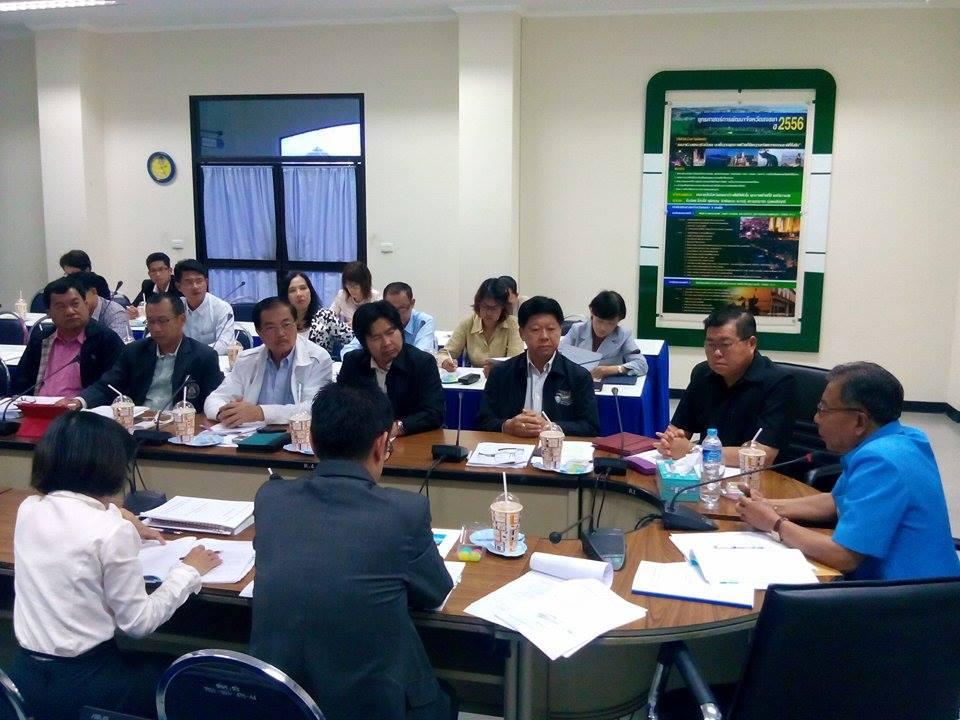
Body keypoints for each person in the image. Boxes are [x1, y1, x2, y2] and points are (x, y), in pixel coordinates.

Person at [250, 382, 456, 720]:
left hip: (280, 703)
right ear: (380, 445)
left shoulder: (271, 498)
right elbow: (435, 592)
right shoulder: (405, 512)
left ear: (312, 440)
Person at [8, 411, 221, 720]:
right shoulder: (111, 532)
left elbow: (75, 513)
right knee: (192, 679)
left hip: (23, 676)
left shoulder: (29, 509)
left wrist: (119, 514)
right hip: (85, 682)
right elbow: (138, 623)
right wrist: (188, 571)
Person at [737, 362, 960, 581]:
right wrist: (768, 505)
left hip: (912, 595)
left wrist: (775, 523)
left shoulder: (880, 461)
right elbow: (837, 500)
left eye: (823, 409)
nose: (816, 418)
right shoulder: (903, 438)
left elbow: (844, 556)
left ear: (860, 421)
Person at [655, 305, 795, 465]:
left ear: (751, 343)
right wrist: (668, 442)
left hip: (760, 476)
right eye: (710, 344)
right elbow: (678, 429)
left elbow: (763, 455)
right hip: (708, 471)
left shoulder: (779, 382)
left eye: (725, 344)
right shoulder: (702, 373)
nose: (717, 353)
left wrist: (693, 450)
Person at [60, 293, 223, 412]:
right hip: (139, 425)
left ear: (181, 320)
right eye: (151, 322)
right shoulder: (134, 352)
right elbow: (107, 386)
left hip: (180, 428)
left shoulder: (203, 356)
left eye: (163, 321)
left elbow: (214, 401)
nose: (156, 328)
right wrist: (79, 401)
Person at [477, 296, 600, 437]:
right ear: (522, 333)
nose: (544, 336)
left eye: (551, 329)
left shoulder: (578, 376)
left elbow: (591, 427)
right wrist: (507, 426)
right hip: (512, 446)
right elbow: (483, 421)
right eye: (535, 330)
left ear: (560, 331)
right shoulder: (501, 373)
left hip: (558, 448)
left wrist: (551, 427)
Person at [205, 297, 332, 427]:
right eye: (271, 328)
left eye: (286, 324)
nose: (281, 333)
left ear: (296, 324)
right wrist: (225, 414)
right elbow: (215, 399)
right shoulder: (247, 359)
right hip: (251, 435)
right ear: (259, 332)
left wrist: (261, 413)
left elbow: (314, 408)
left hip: (297, 434)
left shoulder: (318, 359)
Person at [337, 300, 444, 436]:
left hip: (409, 439)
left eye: (391, 332)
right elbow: (340, 406)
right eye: (376, 338)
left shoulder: (422, 362)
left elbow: (434, 414)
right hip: (364, 440)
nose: (387, 343)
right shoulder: (353, 362)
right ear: (364, 342)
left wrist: (398, 427)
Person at [13, 276, 124, 397]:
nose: (70, 311)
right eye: (61, 306)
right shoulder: (40, 340)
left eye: (75, 304)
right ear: (49, 313)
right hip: (37, 406)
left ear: (86, 305)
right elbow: (20, 385)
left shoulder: (105, 340)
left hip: (82, 407)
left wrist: (82, 402)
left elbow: (113, 387)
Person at [438, 277, 523, 374]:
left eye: (494, 308)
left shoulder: (513, 324)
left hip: (503, 378)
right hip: (475, 380)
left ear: (503, 307)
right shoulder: (468, 323)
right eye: (485, 306)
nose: (489, 312)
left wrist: (498, 370)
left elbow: (516, 361)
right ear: (478, 305)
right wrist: (445, 361)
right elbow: (444, 353)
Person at [561, 290, 648, 380]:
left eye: (611, 323)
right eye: (599, 321)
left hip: (608, 384)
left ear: (619, 320)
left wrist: (612, 370)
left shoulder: (623, 335)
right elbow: (557, 357)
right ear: (591, 311)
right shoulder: (577, 330)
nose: (603, 328)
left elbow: (642, 365)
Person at [340, 281, 436, 358]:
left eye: (402, 308)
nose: (396, 314)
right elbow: (348, 351)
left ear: (412, 303)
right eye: (391, 308)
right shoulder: (375, 320)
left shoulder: (423, 321)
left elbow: (422, 355)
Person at [279, 270, 353, 354]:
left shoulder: (325, 317)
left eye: (303, 288)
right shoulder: (280, 323)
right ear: (285, 296)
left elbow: (353, 340)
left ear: (310, 291)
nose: (299, 294)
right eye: (292, 290)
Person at [174, 259, 235, 355]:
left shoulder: (222, 308)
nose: (195, 286)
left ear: (206, 282)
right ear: (179, 286)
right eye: (189, 282)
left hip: (211, 360)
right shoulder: (174, 307)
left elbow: (224, 344)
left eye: (199, 281)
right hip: (181, 360)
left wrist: (193, 355)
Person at [74, 270, 132, 342]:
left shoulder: (116, 312)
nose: (79, 302)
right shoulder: (72, 313)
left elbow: (117, 345)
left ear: (93, 291)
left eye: (82, 296)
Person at [128, 252, 175, 318]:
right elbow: (134, 306)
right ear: (149, 274)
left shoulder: (179, 286)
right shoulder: (147, 286)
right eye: (153, 270)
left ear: (170, 271)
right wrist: (133, 311)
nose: (158, 274)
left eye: (161, 269)